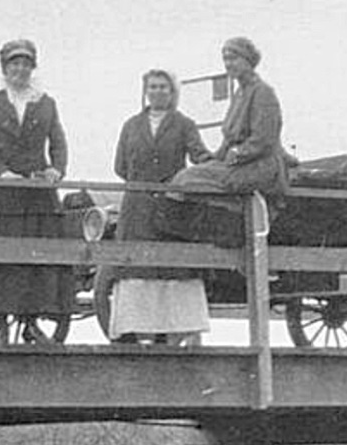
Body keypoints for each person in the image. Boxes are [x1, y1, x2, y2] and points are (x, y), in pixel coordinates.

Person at [0, 38, 74, 341]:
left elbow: (58, 142)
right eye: (14, 63)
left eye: (26, 64)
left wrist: (56, 170)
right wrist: (1, 173)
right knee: (1, 261)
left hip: (36, 196)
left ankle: (32, 321)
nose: (20, 69)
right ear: (5, 68)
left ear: (33, 67)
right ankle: (1, 320)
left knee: (37, 260)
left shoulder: (45, 103)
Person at [108, 68, 211, 344]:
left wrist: (218, 166)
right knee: (136, 267)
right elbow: (120, 166)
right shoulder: (131, 125)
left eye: (163, 87)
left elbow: (199, 156)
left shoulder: (184, 124)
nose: (157, 92)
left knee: (171, 267)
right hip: (137, 208)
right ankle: (132, 330)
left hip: (170, 207)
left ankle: (169, 333)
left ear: (172, 92)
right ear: (145, 91)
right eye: (152, 87)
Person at [165, 36, 287, 196]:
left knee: (187, 179)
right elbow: (228, 141)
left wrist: (238, 153)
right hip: (240, 164)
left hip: (260, 167)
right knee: (186, 176)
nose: (228, 64)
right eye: (225, 59)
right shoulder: (239, 94)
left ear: (248, 60)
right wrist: (213, 159)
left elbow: (264, 140)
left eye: (233, 58)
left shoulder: (263, 92)